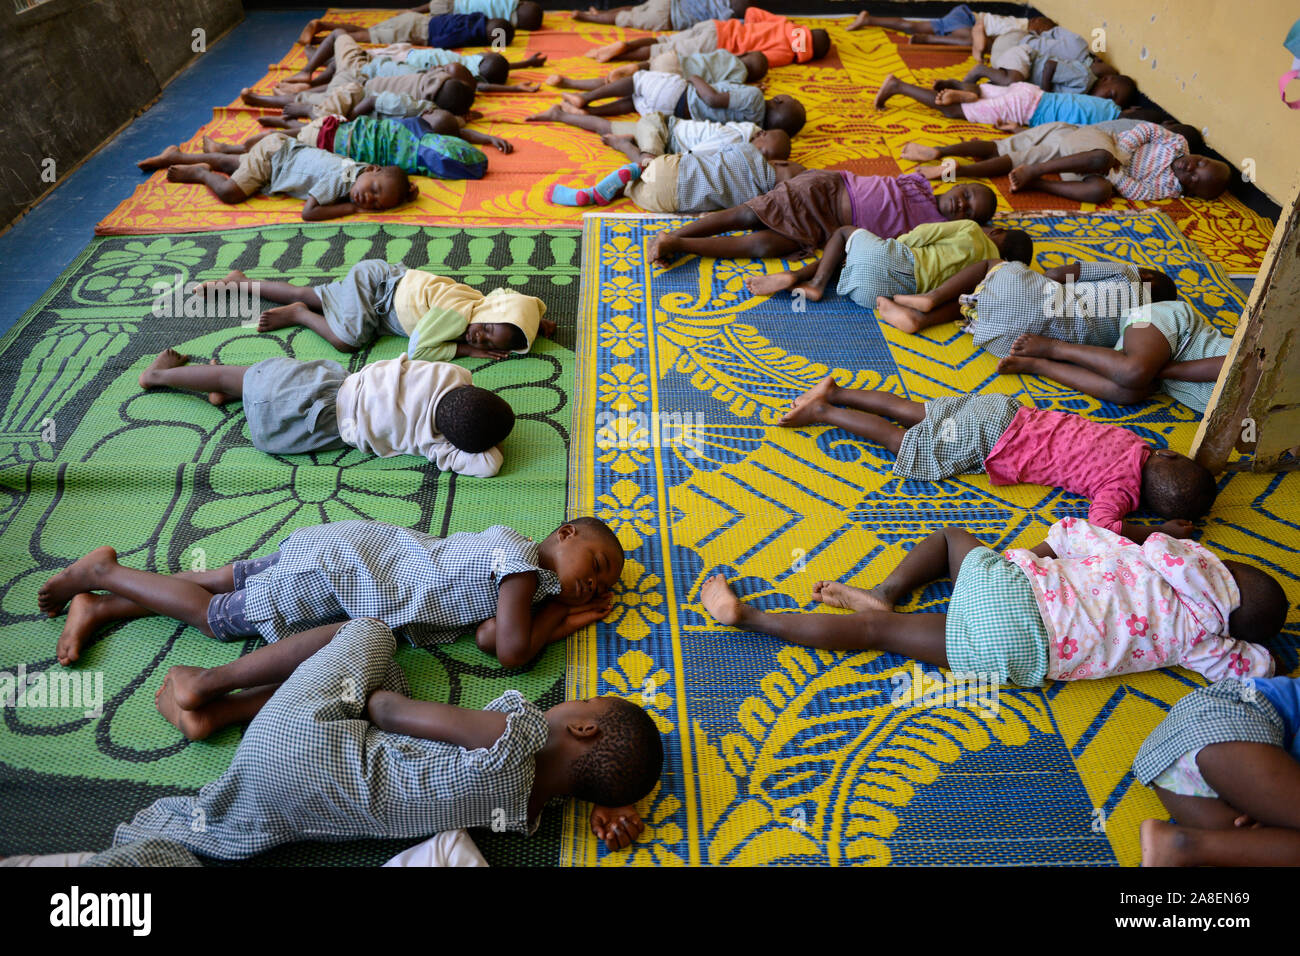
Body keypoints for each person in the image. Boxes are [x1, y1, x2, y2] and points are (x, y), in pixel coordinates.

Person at [101, 617, 661, 859]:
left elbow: (388, 711)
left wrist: (382, 704)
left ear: (583, 726)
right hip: (286, 811)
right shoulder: (523, 812)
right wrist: (608, 797)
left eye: (584, 702)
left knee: (369, 634)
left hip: (299, 744)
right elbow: (573, 777)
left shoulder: (518, 732)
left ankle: (211, 686)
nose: (572, 700)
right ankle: (222, 716)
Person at [699, 516, 1283, 689]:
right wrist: (1257, 653)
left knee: (954, 539)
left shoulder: (1146, 556)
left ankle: (886, 591)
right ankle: (748, 619)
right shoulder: (1207, 642)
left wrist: (1013, 566)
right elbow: (1257, 672)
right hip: (1027, 656)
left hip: (1012, 590)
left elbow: (1066, 533)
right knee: (880, 638)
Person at [40, 516, 625, 671]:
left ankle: (104, 604)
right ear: (565, 533)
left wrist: (556, 611)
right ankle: (104, 574)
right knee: (219, 616)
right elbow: (514, 651)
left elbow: (488, 634)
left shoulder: (527, 582)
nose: (594, 584)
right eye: (596, 565)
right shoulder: (520, 565)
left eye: (602, 586)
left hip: (350, 551)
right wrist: (562, 623)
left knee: (229, 580)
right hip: (343, 578)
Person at [776, 378, 1219, 538]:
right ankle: (825, 411)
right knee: (904, 442)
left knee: (918, 412)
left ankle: (838, 392)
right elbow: (1103, 528)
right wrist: (1156, 530)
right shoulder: (1119, 491)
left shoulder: (1135, 442)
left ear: (1166, 453)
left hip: (1005, 410)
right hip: (992, 441)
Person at [137, 348, 515, 476]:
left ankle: (162, 374)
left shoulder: (450, 374)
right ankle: (222, 395)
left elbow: (465, 380)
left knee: (234, 375)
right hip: (316, 427)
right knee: (257, 400)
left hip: (319, 385)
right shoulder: (433, 444)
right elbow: (489, 464)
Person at [198, 260, 551, 356]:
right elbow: (419, 350)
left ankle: (239, 282)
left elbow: (513, 300)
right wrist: (464, 349)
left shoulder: (486, 301)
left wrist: (537, 323)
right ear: (489, 313)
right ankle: (299, 316)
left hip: (380, 289)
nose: (480, 337)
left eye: (489, 343)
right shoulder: (459, 314)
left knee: (311, 293)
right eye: (487, 329)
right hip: (376, 292)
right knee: (348, 340)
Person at [648, 170, 995, 263]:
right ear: (957, 185)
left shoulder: (941, 229)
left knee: (766, 246)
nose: (961, 205)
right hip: (825, 190)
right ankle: (676, 233)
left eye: (970, 212)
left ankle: (680, 244)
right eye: (965, 195)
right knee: (749, 214)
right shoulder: (919, 182)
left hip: (828, 229)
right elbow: (945, 166)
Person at [1135, 676, 1300, 866]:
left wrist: (1266, 804)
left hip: (1167, 762)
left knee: (1262, 849)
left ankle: (1180, 844)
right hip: (1222, 723)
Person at [872, 257, 1178, 357]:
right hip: (1007, 341)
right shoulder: (1137, 328)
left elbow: (1061, 274)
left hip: (1031, 297)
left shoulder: (1128, 274)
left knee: (992, 267)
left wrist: (1029, 283)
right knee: (985, 300)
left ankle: (932, 299)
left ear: (1145, 275)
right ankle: (917, 319)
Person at [900, 119, 1232, 202]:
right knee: (1010, 152)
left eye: (1194, 176)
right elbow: (1144, 131)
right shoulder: (1175, 142)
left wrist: (1116, 174)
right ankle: (943, 156)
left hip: (1091, 164)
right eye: (1200, 161)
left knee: (1100, 192)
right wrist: (1120, 156)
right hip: (1101, 148)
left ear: (1188, 187)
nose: (1192, 167)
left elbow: (1135, 192)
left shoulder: (1167, 187)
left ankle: (1037, 180)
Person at [998, 299, 1233, 414]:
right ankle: (1055, 348)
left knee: (1126, 391)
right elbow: (1231, 366)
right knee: (1133, 372)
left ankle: (1039, 366)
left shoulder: (1262, 426)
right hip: (1175, 330)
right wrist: (1159, 371)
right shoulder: (1269, 368)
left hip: (1159, 377)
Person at [136, 133, 416, 221]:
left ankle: (175, 156)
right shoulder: (341, 179)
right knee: (231, 192)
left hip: (282, 154)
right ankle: (200, 173)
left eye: (377, 205)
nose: (369, 199)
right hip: (277, 158)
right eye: (375, 189)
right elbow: (309, 213)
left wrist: (403, 190)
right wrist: (351, 209)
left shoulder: (360, 171)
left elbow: (392, 185)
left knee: (232, 164)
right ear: (371, 170)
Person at [744, 220, 1032, 304]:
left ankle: (816, 283)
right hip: (877, 297)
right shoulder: (993, 275)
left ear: (996, 232)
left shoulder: (971, 229)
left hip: (900, 260)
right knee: (853, 260)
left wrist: (892, 245)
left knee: (844, 234)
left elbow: (922, 233)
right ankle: (800, 277)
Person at [546, 140, 803, 210]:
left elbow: (702, 152)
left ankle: (617, 180)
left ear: (778, 161)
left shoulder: (747, 151)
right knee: (639, 190)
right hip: (670, 203)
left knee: (650, 168)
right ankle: (623, 188)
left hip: (671, 169)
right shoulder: (758, 198)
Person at [544, 71, 803, 133]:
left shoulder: (756, 98)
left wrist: (696, 78)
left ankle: (586, 97)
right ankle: (589, 110)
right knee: (633, 102)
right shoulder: (755, 128)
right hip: (674, 116)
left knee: (637, 81)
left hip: (680, 95)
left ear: (778, 100)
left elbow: (712, 97)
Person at [527, 105, 789, 165]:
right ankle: (629, 148)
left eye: (766, 159)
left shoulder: (745, 139)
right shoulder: (735, 139)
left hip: (659, 131)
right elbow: (695, 156)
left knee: (604, 126)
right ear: (760, 134)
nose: (759, 156)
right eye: (763, 151)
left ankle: (560, 115)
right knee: (652, 165)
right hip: (663, 128)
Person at [590, 6, 831, 67]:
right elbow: (756, 58)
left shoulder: (785, 24)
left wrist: (746, 28)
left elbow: (752, 14)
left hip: (717, 27)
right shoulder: (788, 53)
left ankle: (626, 44)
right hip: (717, 44)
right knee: (664, 53)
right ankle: (621, 57)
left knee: (664, 40)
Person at [874, 74, 1134, 128]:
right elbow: (1063, 132)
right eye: (1113, 95)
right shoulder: (1106, 122)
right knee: (953, 111)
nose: (1110, 98)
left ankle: (969, 89)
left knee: (985, 93)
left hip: (1029, 92)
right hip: (1025, 109)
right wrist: (1019, 130)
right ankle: (899, 86)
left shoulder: (1105, 106)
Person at [574, 0, 745, 32]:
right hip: (666, 19)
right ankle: (588, 17)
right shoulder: (727, 18)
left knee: (636, 9)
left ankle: (600, 12)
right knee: (628, 18)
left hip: (667, 3)